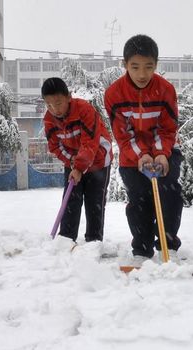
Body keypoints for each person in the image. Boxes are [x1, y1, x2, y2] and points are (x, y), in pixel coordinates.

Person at [104, 34, 184, 260]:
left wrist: (160, 154)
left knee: (170, 194)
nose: (142, 74)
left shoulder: (166, 90)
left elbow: (167, 128)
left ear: (156, 65)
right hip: (132, 156)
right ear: (125, 65)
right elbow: (123, 134)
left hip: (166, 152)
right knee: (139, 198)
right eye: (135, 66)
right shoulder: (114, 94)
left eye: (149, 67)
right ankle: (141, 249)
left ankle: (168, 246)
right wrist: (142, 155)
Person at [42, 77, 113, 242]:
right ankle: (66, 239)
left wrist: (79, 166)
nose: (54, 109)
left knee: (94, 201)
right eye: (49, 105)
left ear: (68, 97)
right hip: (74, 163)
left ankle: (94, 241)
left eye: (58, 103)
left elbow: (90, 142)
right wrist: (73, 161)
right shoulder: (49, 120)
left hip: (99, 160)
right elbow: (55, 147)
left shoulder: (84, 110)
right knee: (70, 200)